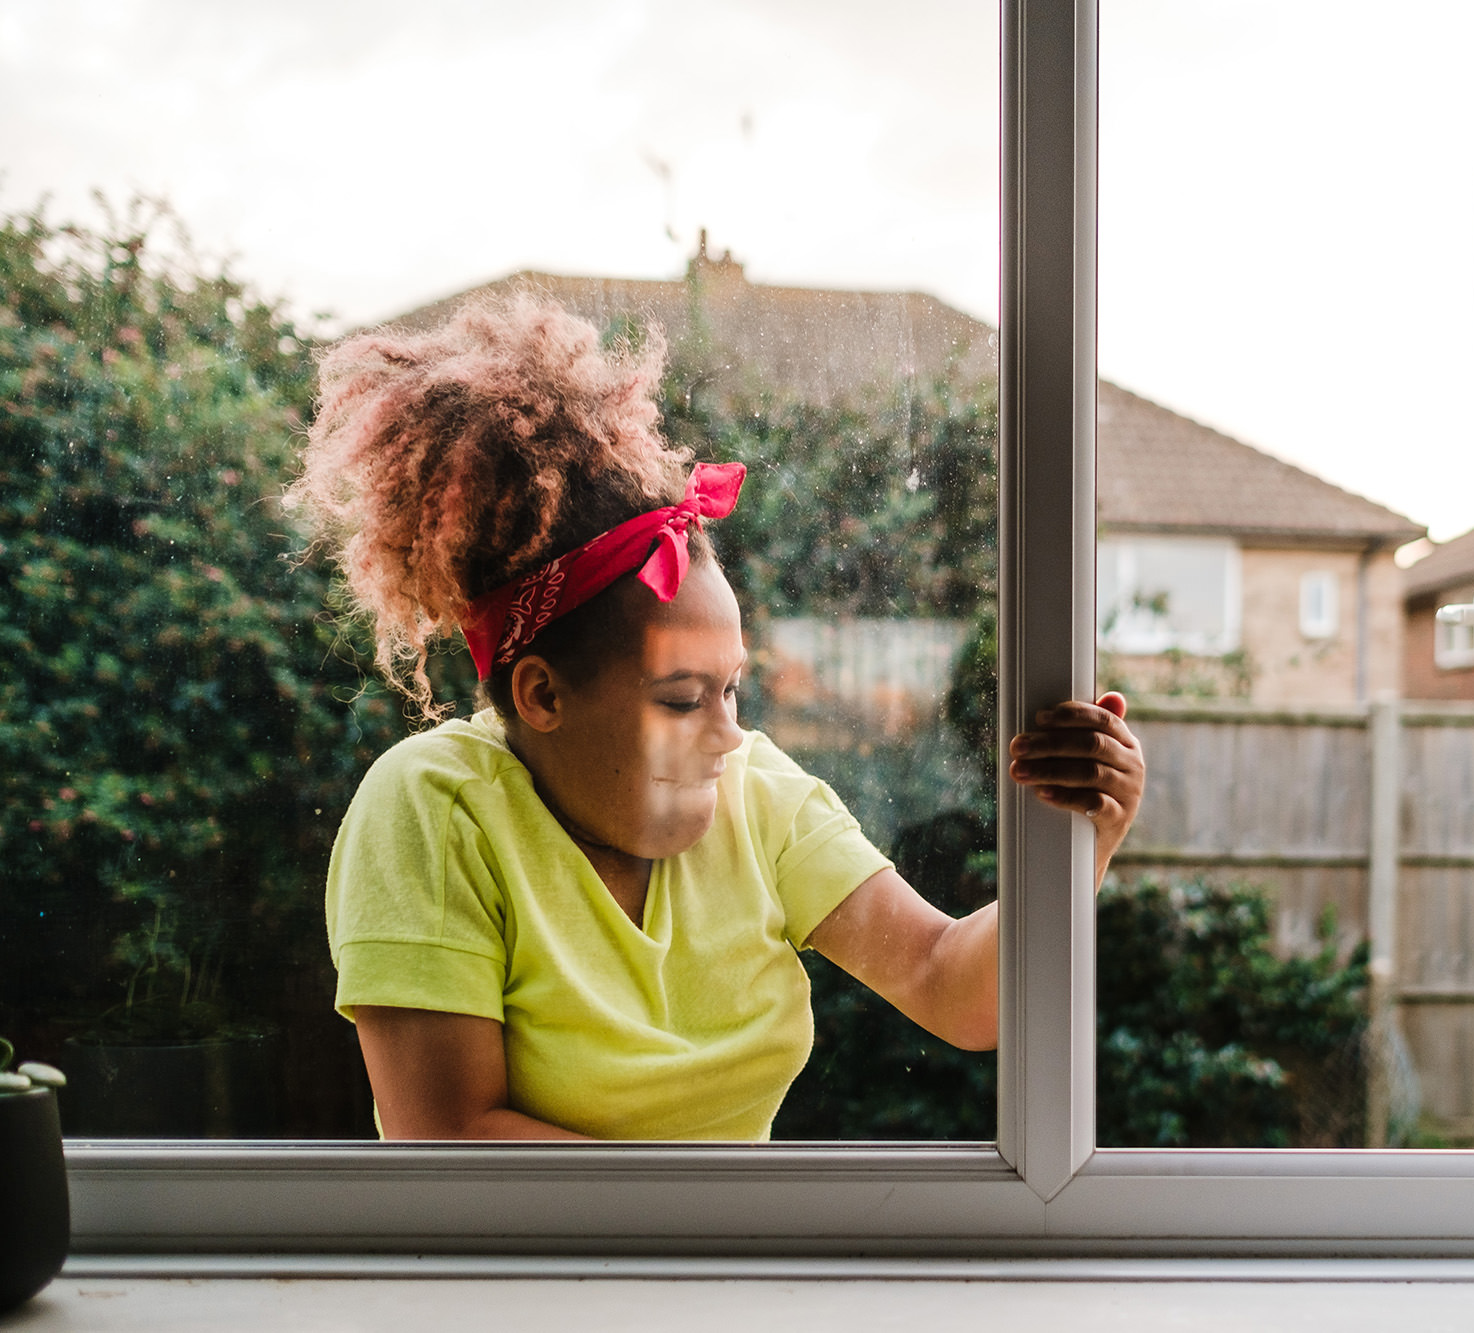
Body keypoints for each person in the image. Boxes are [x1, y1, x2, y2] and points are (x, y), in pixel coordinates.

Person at [290, 298, 1144, 1140]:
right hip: (537, 1278)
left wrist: (1079, 839)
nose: (729, 734)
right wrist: (736, 1229)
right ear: (543, 696)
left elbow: (948, 984)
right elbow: (449, 1137)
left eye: (730, 689)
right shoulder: (434, 812)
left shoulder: (758, 794)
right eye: (681, 699)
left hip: (738, 1263)